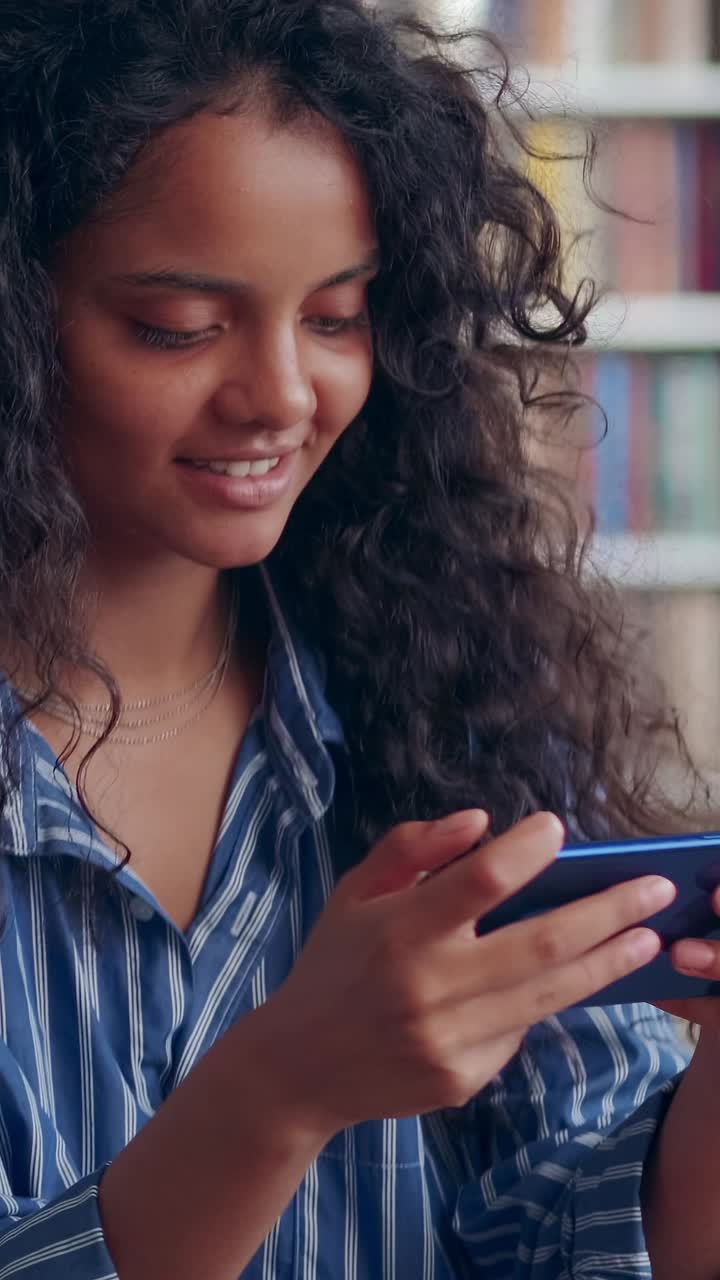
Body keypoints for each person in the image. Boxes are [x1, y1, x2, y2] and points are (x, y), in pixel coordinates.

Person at [0, 1, 717, 1276]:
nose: (282, 393)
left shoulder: (445, 700)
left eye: (336, 317)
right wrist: (278, 1091)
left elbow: (573, 1236)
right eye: (178, 325)